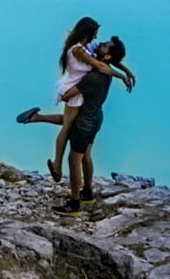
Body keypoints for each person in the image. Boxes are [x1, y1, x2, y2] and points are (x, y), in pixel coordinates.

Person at [14, 17, 135, 182]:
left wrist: (127, 70)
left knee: (71, 121)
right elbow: (100, 65)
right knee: (67, 126)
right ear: (87, 33)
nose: (97, 38)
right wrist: (122, 77)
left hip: (78, 89)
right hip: (73, 89)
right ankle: (57, 164)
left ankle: (35, 117)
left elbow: (109, 58)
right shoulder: (78, 50)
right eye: (95, 34)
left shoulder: (89, 45)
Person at [50, 36, 127, 213]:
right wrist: (125, 73)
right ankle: (87, 192)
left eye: (105, 46)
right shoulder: (106, 71)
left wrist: (64, 90)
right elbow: (106, 62)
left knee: (74, 160)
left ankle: (74, 203)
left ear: (107, 57)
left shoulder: (93, 77)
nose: (101, 44)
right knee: (86, 156)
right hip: (96, 117)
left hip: (85, 122)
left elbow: (69, 95)